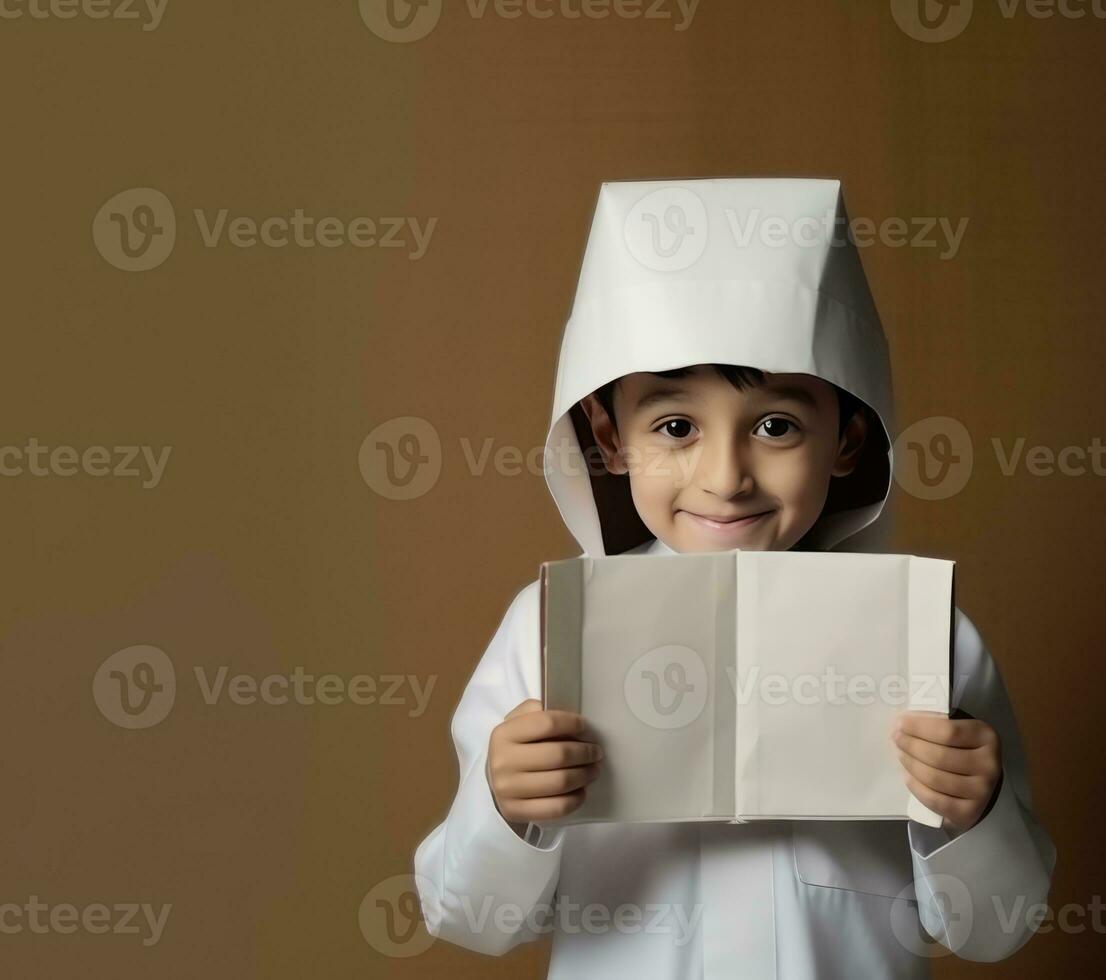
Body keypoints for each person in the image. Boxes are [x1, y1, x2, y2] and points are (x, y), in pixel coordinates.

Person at [413, 177, 1055, 978]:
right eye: (675, 426)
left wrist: (973, 816)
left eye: (776, 426)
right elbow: (469, 918)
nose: (725, 477)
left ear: (847, 441)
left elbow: (995, 930)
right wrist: (503, 810)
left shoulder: (922, 637)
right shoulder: (547, 628)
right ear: (610, 440)